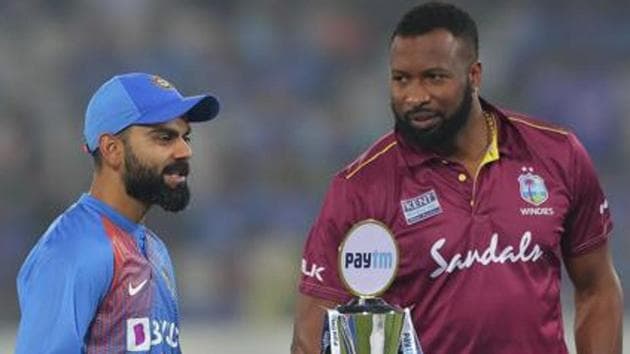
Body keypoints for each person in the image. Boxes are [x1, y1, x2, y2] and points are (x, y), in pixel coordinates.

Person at [291, 2, 623, 354]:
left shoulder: (557, 154)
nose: (414, 96)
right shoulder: (360, 187)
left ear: (474, 76)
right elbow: (310, 335)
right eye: (401, 79)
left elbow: (597, 288)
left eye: (434, 77)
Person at [15, 72, 220, 353]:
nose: (185, 151)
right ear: (112, 150)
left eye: (186, 137)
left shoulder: (154, 249)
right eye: (164, 137)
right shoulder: (73, 251)